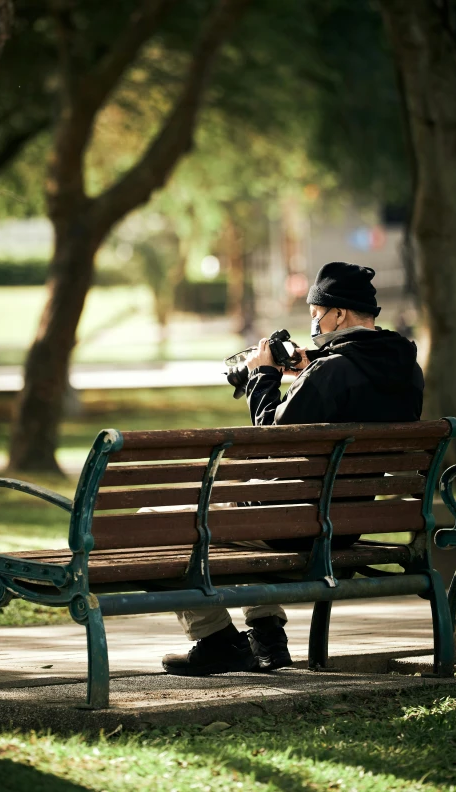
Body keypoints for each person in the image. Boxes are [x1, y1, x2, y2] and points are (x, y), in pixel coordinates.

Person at [162, 261, 424, 677]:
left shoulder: (330, 371)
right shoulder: (407, 370)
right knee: (236, 527)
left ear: (337, 313)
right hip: (346, 523)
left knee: (160, 525)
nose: (315, 323)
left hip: (292, 526)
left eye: (316, 314)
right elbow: (351, 389)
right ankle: (265, 635)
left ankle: (217, 640)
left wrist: (263, 377)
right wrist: (310, 369)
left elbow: (271, 441)